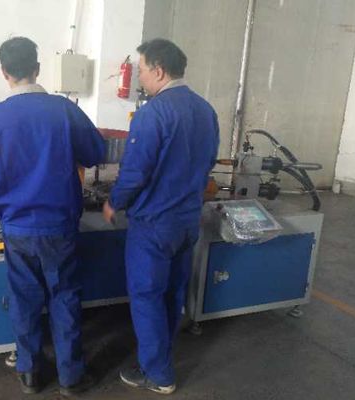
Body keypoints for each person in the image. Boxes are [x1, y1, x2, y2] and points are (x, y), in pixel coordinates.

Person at [0, 36, 105, 396]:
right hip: (59, 225)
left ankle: (30, 372)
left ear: (4, 72)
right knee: (64, 297)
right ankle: (71, 377)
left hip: (16, 227)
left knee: (24, 298)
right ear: (37, 68)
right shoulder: (63, 110)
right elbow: (95, 153)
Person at [102, 38, 220, 395]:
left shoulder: (153, 113)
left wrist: (113, 203)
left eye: (140, 70)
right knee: (172, 294)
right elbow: (208, 163)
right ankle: (160, 359)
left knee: (147, 297)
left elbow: (135, 173)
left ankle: (158, 374)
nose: (139, 78)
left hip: (153, 225)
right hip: (187, 221)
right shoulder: (206, 110)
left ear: (158, 70)